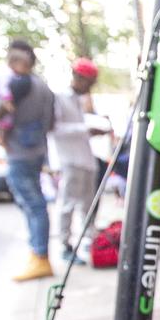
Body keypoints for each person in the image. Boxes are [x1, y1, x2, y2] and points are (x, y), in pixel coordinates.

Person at [0, 39, 56, 281]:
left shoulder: (17, 85)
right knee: (34, 202)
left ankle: (40, 255)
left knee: (33, 204)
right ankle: (37, 253)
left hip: (20, 152)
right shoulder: (43, 87)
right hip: (36, 150)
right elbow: (50, 123)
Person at [51, 58, 102, 265]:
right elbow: (55, 129)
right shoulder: (60, 98)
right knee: (68, 204)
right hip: (70, 160)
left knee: (88, 204)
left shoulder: (79, 101)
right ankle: (65, 245)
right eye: (88, 82)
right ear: (79, 78)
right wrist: (86, 129)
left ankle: (89, 241)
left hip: (86, 160)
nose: (89, 87)